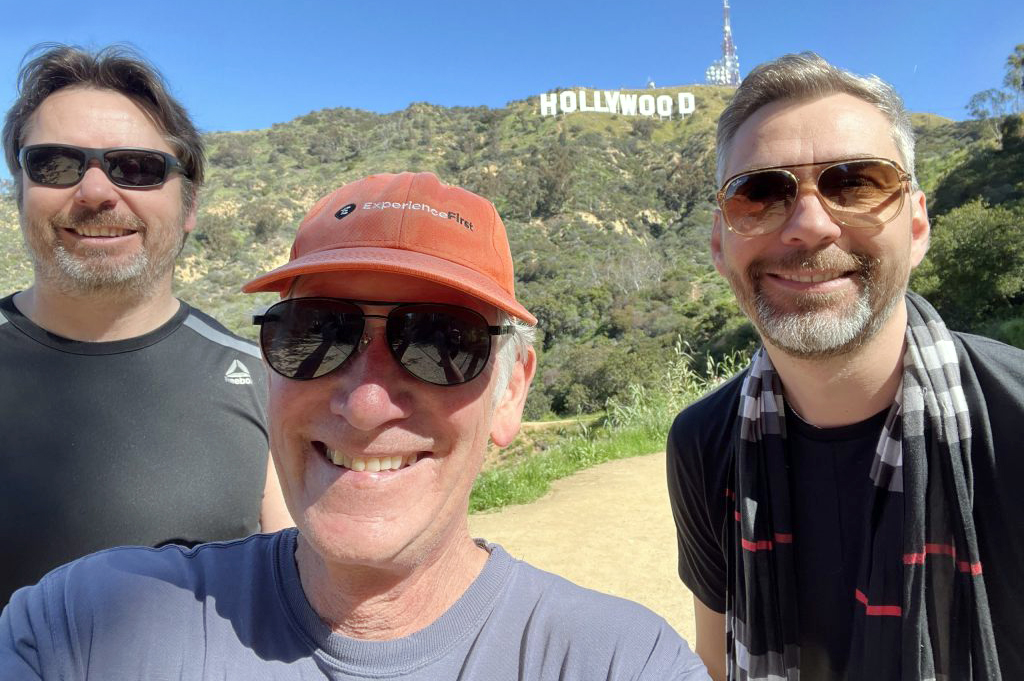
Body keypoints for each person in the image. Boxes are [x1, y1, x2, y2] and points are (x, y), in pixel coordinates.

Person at [0, 171, 710, 680]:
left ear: (510, 393)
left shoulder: (618, 662)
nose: (366, 403)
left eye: (441, 342)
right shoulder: (87, 627)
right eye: (317, 333)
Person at [666, 52, 1024, 681]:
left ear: (915, 225)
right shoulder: (702, 444)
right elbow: (717, 663)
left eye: (856, 183)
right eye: (759, 194)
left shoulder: (1016, 418)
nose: (809, 225)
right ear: (720, 245)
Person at [0, 45, 292, 606]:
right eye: (55, 165)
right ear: (20, 192)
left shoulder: (263, 384)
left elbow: (296, 599)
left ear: (188, 207)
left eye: (136, 168)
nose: (95, 193)